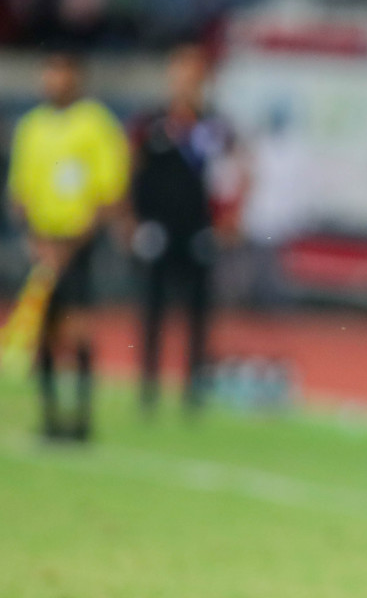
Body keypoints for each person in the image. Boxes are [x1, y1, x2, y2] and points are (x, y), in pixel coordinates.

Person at [6, 48, 128, 441]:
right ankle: (50, 415)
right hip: (43, 243)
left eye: (62, 72)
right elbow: (20, 193)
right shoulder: (31, 127)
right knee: (44, 331)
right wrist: (37, 242)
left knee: (78, 331)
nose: (54, 80)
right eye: (50, 72)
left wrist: (72, 245)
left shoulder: (95, 124)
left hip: (79, 243)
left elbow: (108, 191)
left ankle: (82, 419)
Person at [129, 42, 241, 414]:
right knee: (153, 312)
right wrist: (132, 226)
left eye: (193, 77)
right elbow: (127, 173)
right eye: (180, 75)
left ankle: (194, 390)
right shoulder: (151, 124)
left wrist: (225, 227)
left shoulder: (216, 127)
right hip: (158, 230)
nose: (185, 84)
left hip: (199, 232)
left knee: (198, 314)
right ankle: (149, 388)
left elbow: (238, 175)